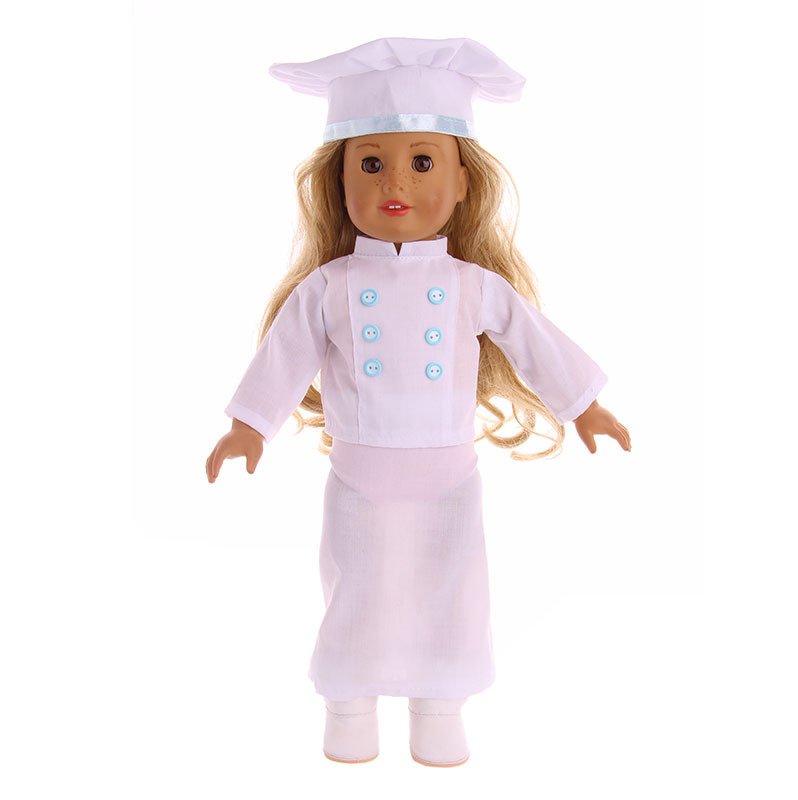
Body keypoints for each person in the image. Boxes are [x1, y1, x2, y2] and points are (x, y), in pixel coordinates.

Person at [205, 37, 631, 767]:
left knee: (451, 591)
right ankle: (348, 707)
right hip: (358, 476)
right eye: (371, 164)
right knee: (357, 590)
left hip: (448, 478)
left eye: (423, 162)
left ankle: (441, 707)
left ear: (463, 182)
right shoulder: (331, 286)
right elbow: (284, 353)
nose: (395, 182)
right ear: (339, 182)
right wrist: (249, 425)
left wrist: (582, 403)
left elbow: (533, 339)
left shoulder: (471, 285)